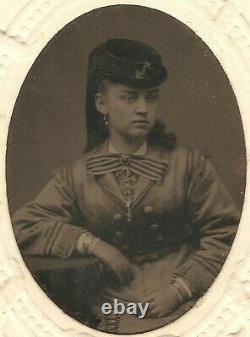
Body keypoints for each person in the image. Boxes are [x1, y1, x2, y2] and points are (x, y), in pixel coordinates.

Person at [12, 39, 240, 333]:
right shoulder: (77, 176)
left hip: (186, 303)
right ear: (101, 103)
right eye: (130, 98)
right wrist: (92, 245)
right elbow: (23, 227)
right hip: (112, 306)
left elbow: (228, 234)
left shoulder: (189, 167)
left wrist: (181, 289)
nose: (143, 109)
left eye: (151, 97)